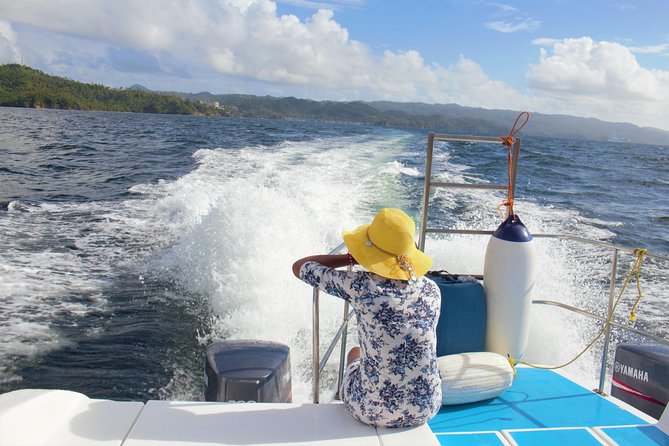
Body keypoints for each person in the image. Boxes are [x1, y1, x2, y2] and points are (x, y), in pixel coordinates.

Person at [292, 208, 442, 428]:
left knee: (355, 352)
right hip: (427, 407)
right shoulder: (431, 290)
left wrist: (349, 257)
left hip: (372, 411)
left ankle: (342, 400)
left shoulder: (360, 286)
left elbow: (301, 267)